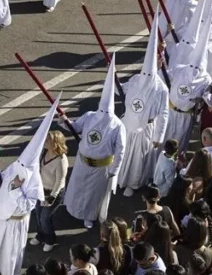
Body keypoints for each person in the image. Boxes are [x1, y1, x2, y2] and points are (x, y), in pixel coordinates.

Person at [0, 100, 58, 275]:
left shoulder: (34, 182)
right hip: (2, 216)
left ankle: (8, 274)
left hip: (16, 222)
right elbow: (2, 180)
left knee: (11, 250)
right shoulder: (17, 166)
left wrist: (17, 189)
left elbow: (28, 205)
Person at [65, 62, 126, 228]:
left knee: (93, 194)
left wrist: (114, 170)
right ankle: (72, 208)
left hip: (101, 168)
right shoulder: (90, 116)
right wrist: (65, 122)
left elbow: (121, 150)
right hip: (82, 161)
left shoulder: (117, 125)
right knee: (78, 187)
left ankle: (88, 216)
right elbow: (76, 127)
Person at [119, 19, 169, 193]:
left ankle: (133, 184)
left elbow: (163, 113)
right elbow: (123, 90)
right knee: (123, 153)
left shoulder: (161, 89)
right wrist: (113, 82)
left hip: (145, 128)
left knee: (138, 159)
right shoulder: (135, 79)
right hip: (128, 123)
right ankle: (119, 178)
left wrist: (158, 136)